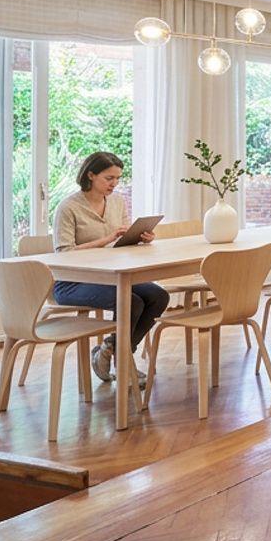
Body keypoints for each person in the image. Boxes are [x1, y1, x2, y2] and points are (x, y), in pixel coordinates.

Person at [51, 151, 168, 385]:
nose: (114, 183)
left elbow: (121, 242)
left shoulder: (116, 202)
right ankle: (124, 364)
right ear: (90, 175)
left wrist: (140, 237)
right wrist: (107, 238)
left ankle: (109, 349)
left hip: (110, 276)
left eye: (117, 178)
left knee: (158, 296)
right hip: (72, 282)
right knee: (131, 301)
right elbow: (64, 253)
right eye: (109, 178)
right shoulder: (68, 207)